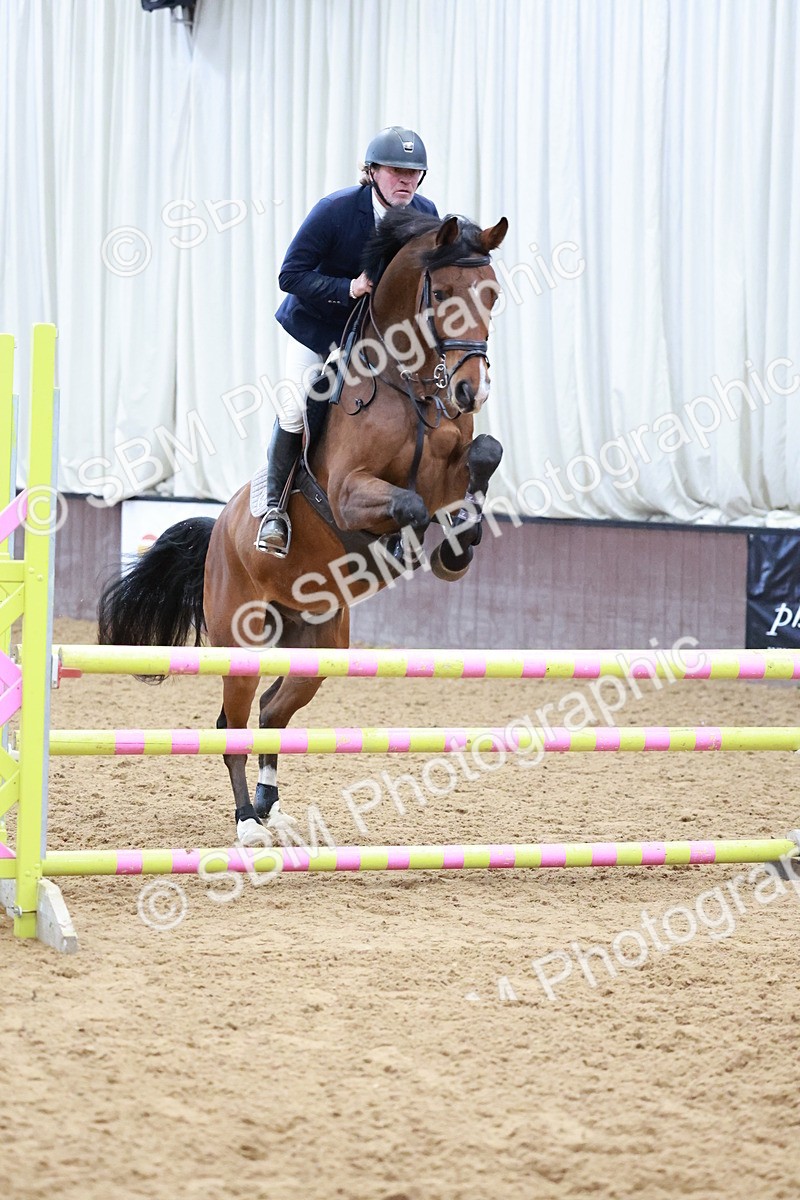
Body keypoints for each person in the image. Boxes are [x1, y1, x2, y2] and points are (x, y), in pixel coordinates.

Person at [257, 126, 439, 554]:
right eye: (396, 170)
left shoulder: (426, 214)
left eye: (414, 173)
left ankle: (400, 516)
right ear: (372, 171)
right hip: (317, 329)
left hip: (373, 340)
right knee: (296, 409)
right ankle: (275, 512)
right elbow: (290, 275)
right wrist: (347, 288)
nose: (406, 180)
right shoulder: (336, 210)